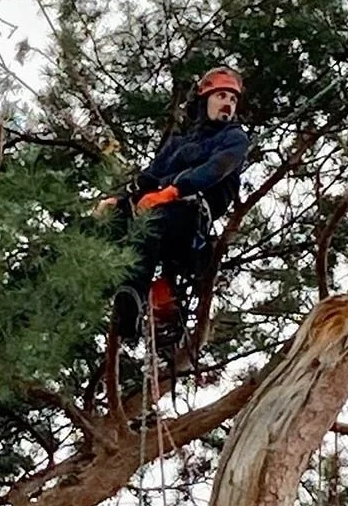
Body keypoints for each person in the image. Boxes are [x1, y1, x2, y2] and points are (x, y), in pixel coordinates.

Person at [96, 66, 249, 343]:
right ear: (204, 100)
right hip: (160, 207)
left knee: (153, 222)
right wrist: (119, 200)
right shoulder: (178, 143)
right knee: (105, 225)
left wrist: (172, 191)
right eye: (221, 96)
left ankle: (131, 298)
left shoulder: (234, 138)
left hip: (189, 216)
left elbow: (214, 170)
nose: (228, 103)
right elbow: (150, 178)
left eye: (233, 99)